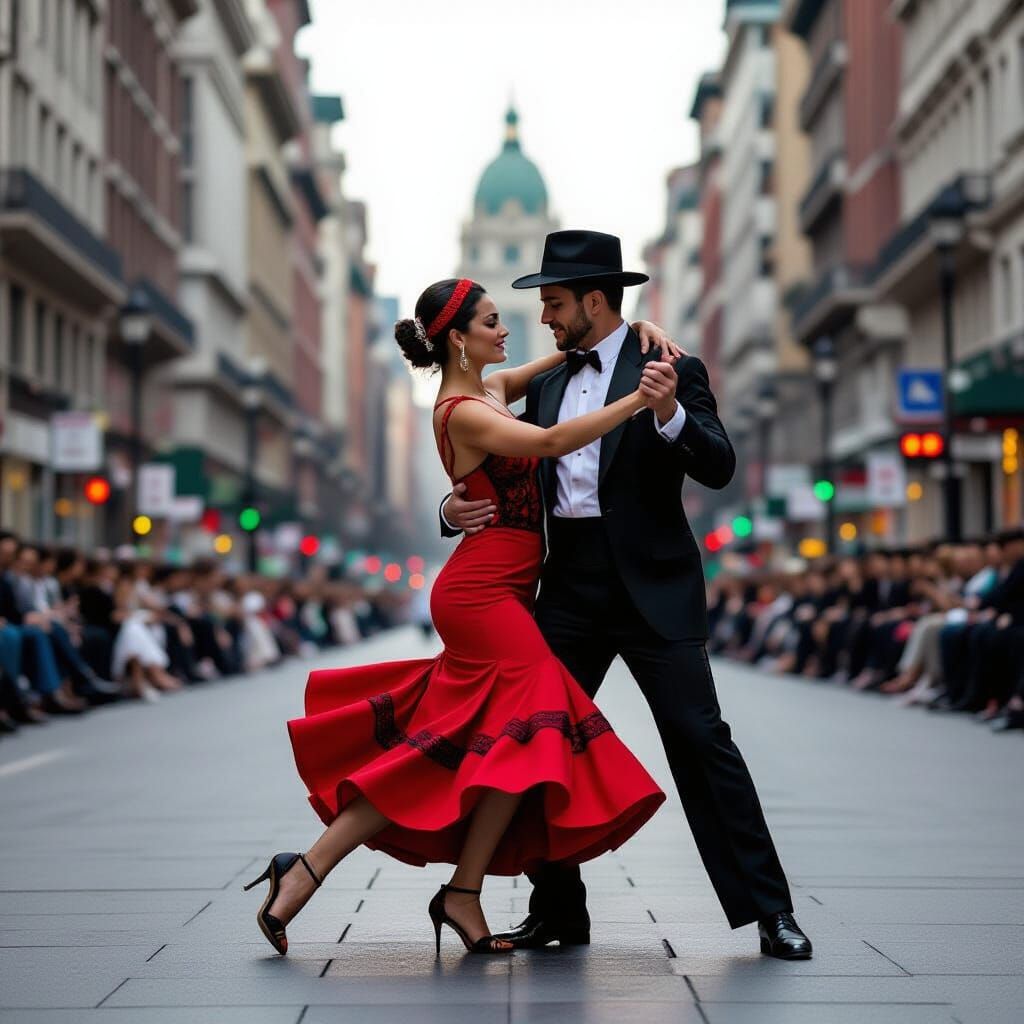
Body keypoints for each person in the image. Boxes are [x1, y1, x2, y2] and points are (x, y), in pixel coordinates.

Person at [245, 275, 679, 957]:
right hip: (479, 596)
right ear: (458, 338)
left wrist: (633, 339)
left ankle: (334, 875)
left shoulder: (490, 390)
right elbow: (549, 444)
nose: (507, 331)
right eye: (491, 322)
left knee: (475, 748)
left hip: (503, 589)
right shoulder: (462, 408)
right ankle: (454, 889)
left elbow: (569, 363)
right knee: (529, 724)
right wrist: (637, 399)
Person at [442, 230, 812, 960]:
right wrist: (451, 511)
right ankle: (558, 910)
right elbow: (472, 443)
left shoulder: (672, 367)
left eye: (553, 303)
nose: (544, 318)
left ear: (594, 300)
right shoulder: (543, 384)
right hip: (569, 588)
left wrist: (671, 414)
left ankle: (771, 912)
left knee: (703, 742)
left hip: (656, 587)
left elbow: (719, 465)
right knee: (536, 740)